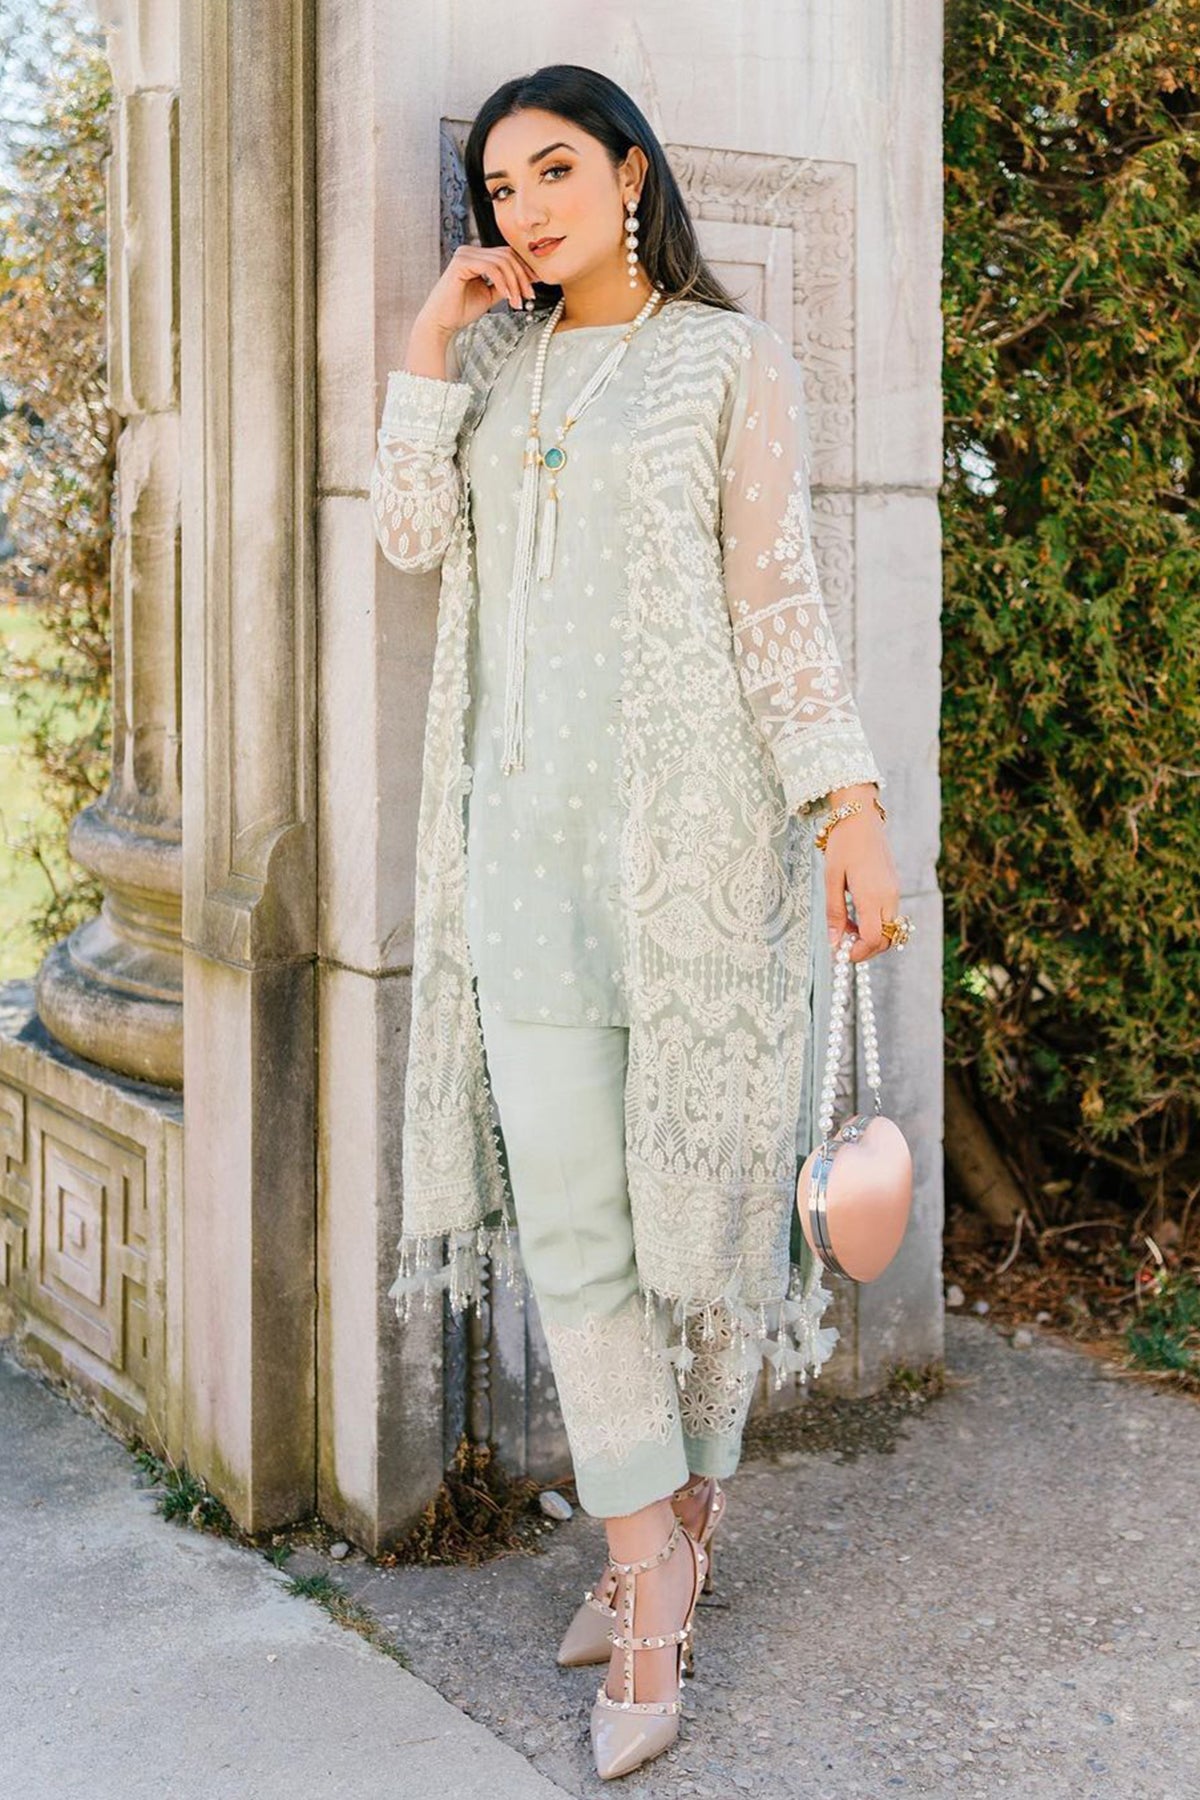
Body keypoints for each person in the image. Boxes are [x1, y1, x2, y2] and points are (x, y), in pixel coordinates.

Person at [371, 63, 908, 1781]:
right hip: (520, 870)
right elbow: (407, 537)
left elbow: (776, 606)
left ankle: (683, 1519)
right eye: (497, 188)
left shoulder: (727, 362)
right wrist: (431, 333)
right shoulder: (493, 367)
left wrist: (848, 810)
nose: (523, 209)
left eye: (553, 171)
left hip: (690, 860)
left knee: (702, 1229)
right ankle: (646, 1578)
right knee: (579, 1235)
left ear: (629, 175)